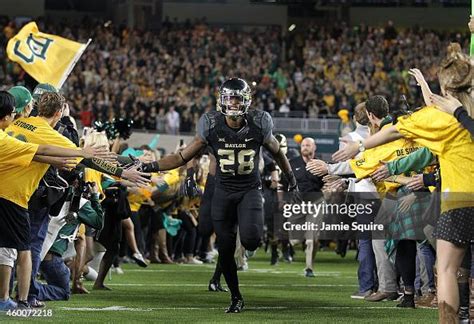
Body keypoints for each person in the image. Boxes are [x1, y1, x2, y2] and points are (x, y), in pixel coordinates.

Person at [332, 44, 474, 323]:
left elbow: (394, 131)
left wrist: (359, 144)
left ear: (446, 89)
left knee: (446, 269)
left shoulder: (438, 117)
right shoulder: (460, 113)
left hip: (459, 199)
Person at [142, 78, 298, 313]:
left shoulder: (259, 123)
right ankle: (236, 297)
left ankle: (247, 240)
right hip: (223, 191)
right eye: (229, 98)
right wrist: (149, 166)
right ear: (221, 101)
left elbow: (277, 153)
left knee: (251, 240)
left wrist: (290, 178)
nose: (233, 104)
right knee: (224, 247)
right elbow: (181, 157)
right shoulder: (211, 124)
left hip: (249, 189)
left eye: (237, 98)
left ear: (246, 101)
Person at [289, 137, 324, 278]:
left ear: (314, 147)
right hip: (297, 204)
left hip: (316, 202)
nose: (305, 147)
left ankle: (309, 267)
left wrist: (330, 189)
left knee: (311, 239)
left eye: (308, 145)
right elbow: (284, 182)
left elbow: (328, 183)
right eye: (303, 145)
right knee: (295, 241)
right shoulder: (292, 163)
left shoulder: (320, 164)